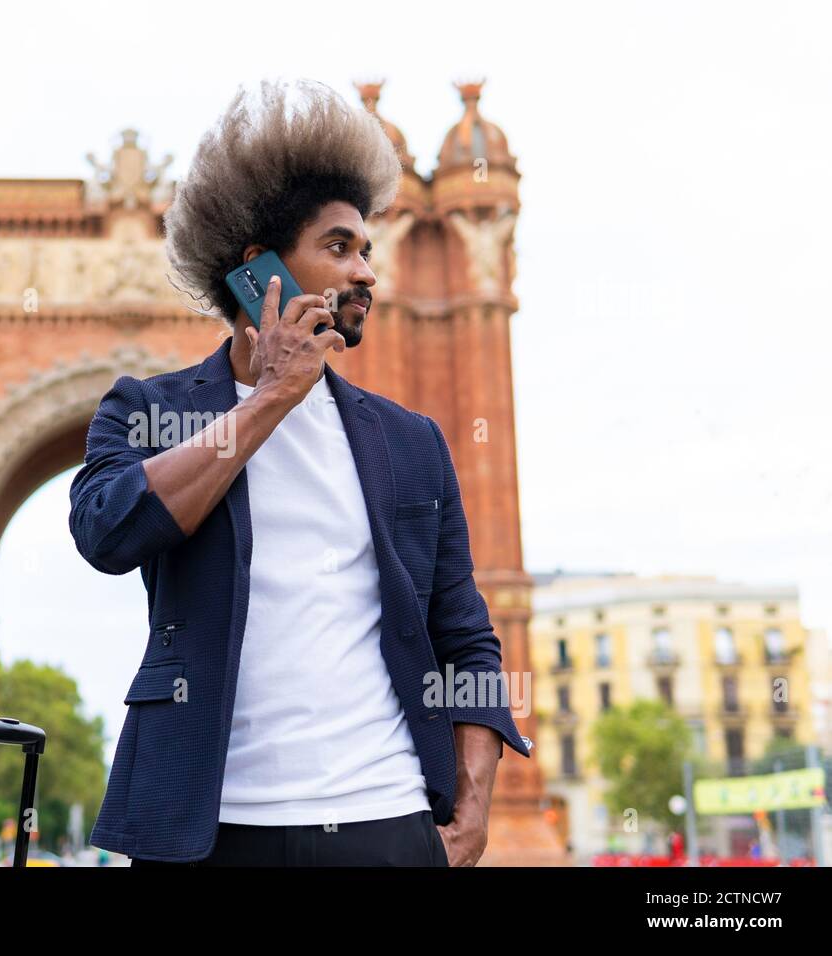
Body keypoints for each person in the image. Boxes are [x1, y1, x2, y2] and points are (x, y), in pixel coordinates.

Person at [68, 78, 530, 867]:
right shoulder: (146, 409)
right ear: (260, 271)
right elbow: (108, 530)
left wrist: (475, 809)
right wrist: (270, 399)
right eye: (340, 247)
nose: (366, 275)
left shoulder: (412, 442)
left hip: (386, 821)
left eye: (368, 250)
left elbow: (466, 637)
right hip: (206, 834)